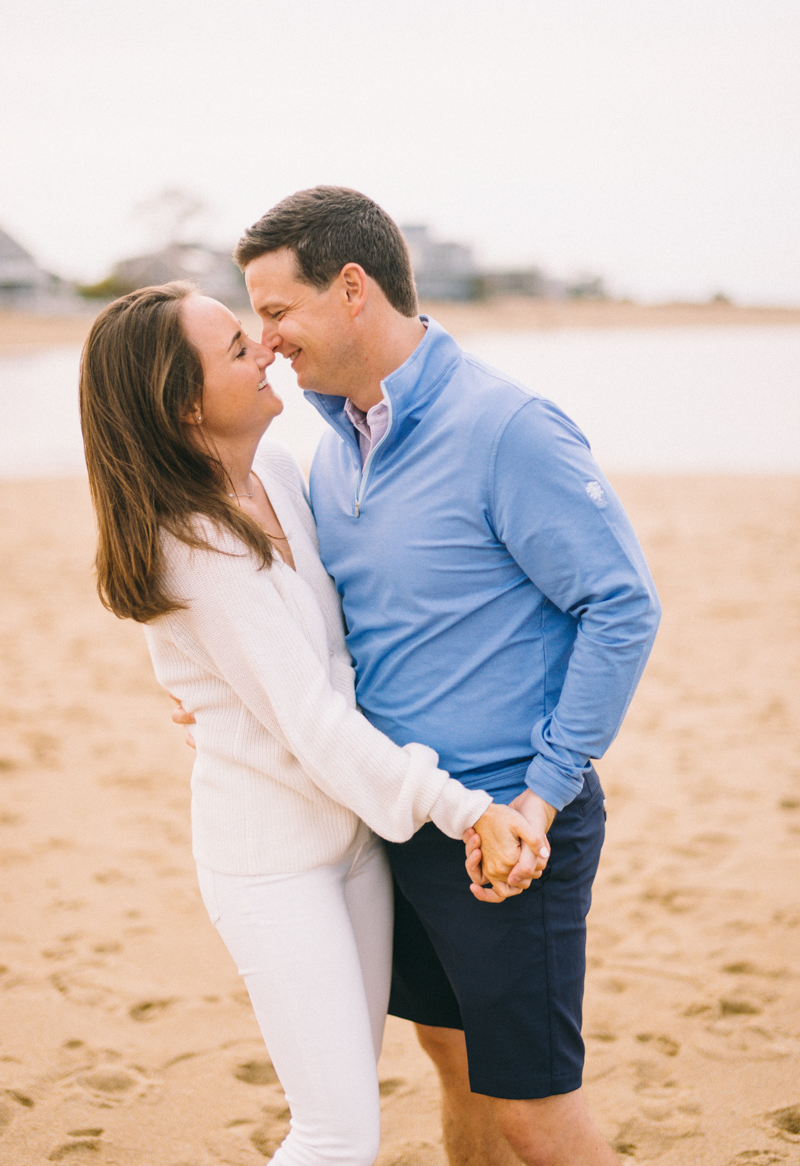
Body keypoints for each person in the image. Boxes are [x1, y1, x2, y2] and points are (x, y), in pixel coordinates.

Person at [183, 185, 661, 1166]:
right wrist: (227, 701)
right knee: (448, 1060)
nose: (265, 340)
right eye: (253, 322)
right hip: (398, 815)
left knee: (532, 1112)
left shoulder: (505, 427)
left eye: (276, 311)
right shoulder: (323, 447)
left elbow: (619, 606)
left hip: (505, 825)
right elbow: (323, 627)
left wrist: (539, 796)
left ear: (351, 288)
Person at [78, 282, 545, 1166]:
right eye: (236, 348)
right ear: (184, 404)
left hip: (355, 844)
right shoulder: (191, 543)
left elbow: (347, 639)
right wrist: (466, 808)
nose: (264, 349)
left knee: (349, 1106)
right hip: (273, 866)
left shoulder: (281, 476)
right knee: (335, 1135)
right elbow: (312, 720)